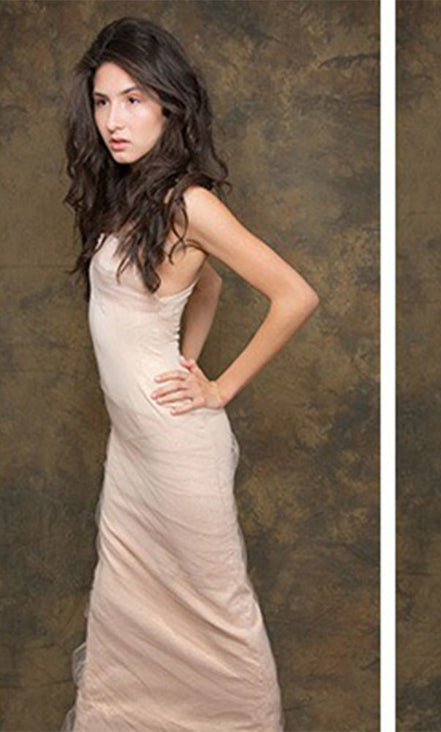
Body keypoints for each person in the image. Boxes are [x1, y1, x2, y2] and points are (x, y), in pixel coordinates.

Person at [61, 17, 318, 731]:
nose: (114, 120)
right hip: (131, 445)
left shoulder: (189, 202)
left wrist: (216, 385)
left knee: (214, 607)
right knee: (130, 601)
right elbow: (207, 284)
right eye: (103, 102)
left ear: (169, 105)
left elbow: (295, 295)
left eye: (134, 100)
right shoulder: (129, 193)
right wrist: (185, 356)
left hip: (177, 445)